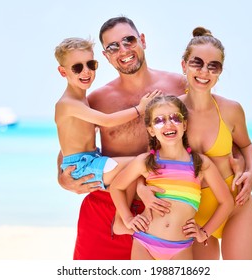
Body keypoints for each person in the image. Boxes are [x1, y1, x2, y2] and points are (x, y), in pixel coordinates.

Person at [57, 17, 187, 260]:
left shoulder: (179, 85)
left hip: (166, 207)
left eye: (129, 40)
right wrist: (62, 179)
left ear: (143, 41)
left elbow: (207, 129)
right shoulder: (96, 100)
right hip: (106, 209)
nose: (124, 50)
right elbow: (69, 145)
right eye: (113, 47)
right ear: (106, 56)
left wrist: (239, 162)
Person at [140, 27, 252, 259]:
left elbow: (246, 145)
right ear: (184, 65)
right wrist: (141, 189)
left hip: (235, 204)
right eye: (197, 63)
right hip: (190, 214)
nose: (204, 71)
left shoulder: (232, 110)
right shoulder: (170, 112)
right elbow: (150, 162)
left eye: (213, 66)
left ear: (219, 72)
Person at [109, 95, 234, 260]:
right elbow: (116, 187)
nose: (168, 124)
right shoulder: (145, 162)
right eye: (159, 120)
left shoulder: (200, 164)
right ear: (151, 130)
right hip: (144, 242)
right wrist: (127, 218)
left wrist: (204, 232)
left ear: (184, 124)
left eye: (175, 118)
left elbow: (227, 202)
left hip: (180, 248)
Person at [54, 37, 161, 190]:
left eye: (91, 65)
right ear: (63, 71)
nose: (86, 71)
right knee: (145, 163)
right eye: (77, 67)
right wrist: (140, 108)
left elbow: (68, 141)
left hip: (91, 159)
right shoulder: (67, 104)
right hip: (83, 166)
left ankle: (124, 214)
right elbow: (107, 120)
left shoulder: (83, 101)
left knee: (128, 180)